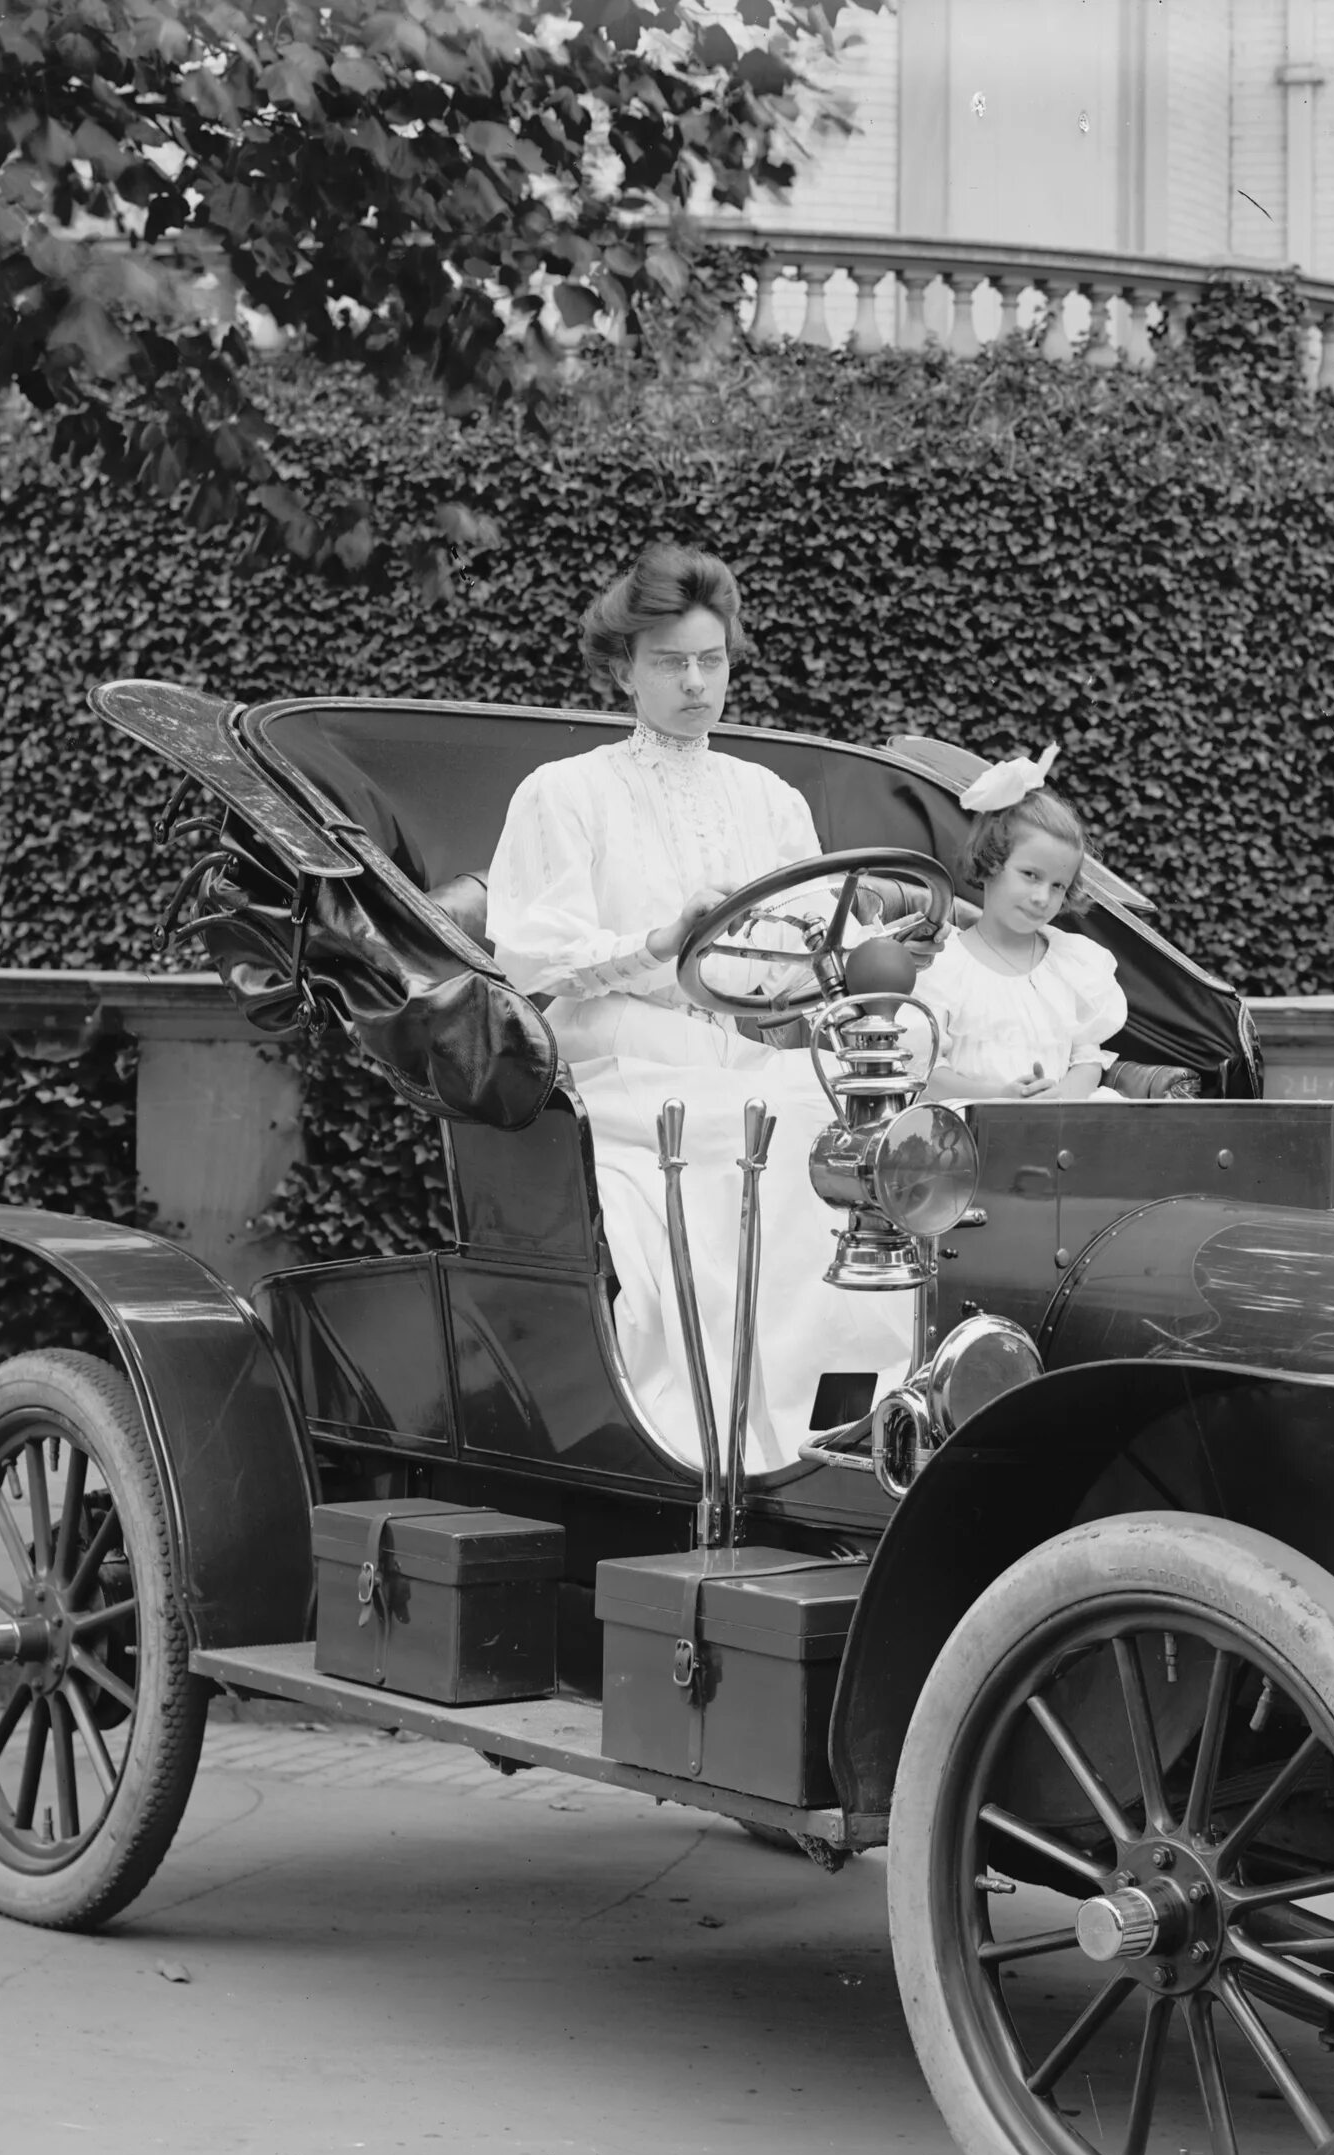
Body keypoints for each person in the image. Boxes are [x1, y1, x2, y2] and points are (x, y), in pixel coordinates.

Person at [483, 545, 916, 1477]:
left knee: (867, 1128)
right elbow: (529, 955)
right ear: (622, 671)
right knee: (772, 1130)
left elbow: (808, 955)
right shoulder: (566, 794)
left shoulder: (771, 799)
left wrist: (864, 939)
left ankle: (845, 1415)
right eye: (669, 662)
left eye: (709, 661)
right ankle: (728, 1445)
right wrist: (657, 945)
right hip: (615, 1064)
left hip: (745, 1057)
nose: (693, 683)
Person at [922, 753, 1130, 1104]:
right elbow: (928, 1074)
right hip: (973, 1124)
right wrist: (1002, 1098)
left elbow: (1087, 1059)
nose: (1042, 897)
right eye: (1030, 875)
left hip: (1059, 1123)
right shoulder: (943, 966)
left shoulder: (1072, 963)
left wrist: (1060, 1100)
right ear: (990, 863)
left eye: (1058, 886)